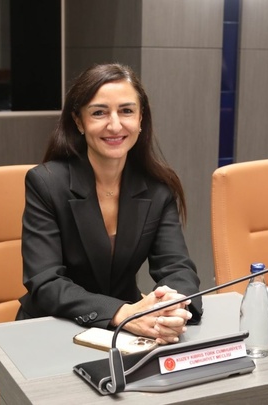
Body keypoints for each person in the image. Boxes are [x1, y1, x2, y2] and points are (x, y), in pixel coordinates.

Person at [17, 63, 203, 345]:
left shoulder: (158, 188)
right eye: (99, 113)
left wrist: (173, 308)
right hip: (55, 326)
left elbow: (177, 268)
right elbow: (46, 283)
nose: (115, 125)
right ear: (79, 121)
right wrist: (123, 313)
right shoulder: (46, 183)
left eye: (126, 111)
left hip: (129, 330)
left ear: (141, 119)